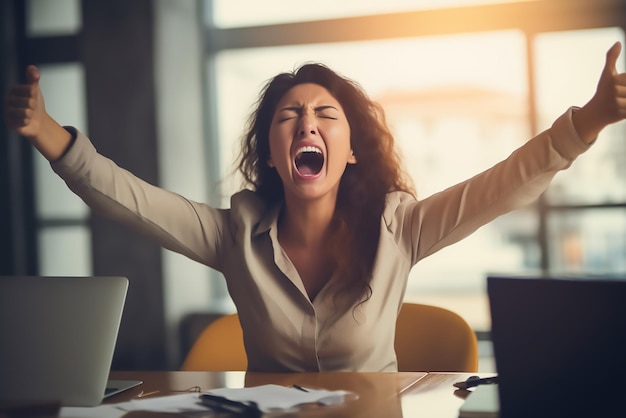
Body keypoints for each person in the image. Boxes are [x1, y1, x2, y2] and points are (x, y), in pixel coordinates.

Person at [5, 42, 626, 373]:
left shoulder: (400, 227)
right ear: (272, 155)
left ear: (349, 151)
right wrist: (47, 133)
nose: (308, 123)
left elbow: (503, 184)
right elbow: (128, 199)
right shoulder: (232, 235)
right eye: (289, 116)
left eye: (326, 115)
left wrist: (590, 119)